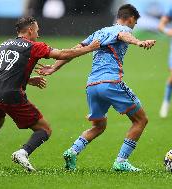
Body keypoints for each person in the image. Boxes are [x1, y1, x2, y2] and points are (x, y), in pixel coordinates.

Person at [38, 4, 156, 172]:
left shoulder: (99, 32)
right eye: (134, 23)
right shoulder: (124, 30)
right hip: (110, 83)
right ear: (130, 19)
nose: (133, 27)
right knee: (141, 120)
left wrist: (55, 67)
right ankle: (121, 161)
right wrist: (139, 41)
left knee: (99, 126)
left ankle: (72, 151)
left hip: (92, 85)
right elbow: (123, 35)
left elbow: (76, 50)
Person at [0, 16, 100, 171]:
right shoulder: (34, 46)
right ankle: (23, 152)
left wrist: (28, 80)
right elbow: (63, 54)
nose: (38, 34)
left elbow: (4, 70)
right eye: (37, 30)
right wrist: (89, 48)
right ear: (30, 30)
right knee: (44, 129)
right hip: (11, 95)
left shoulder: (4, 45)